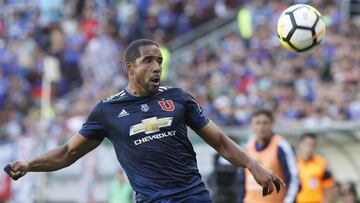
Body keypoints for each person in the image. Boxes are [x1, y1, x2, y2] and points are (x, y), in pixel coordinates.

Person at [4, 39, 285, 202]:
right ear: (130, 67)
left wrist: (252, 164)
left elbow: (221, 142)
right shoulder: (107, 110)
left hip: (193, 196)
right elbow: (67, 153)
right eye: (148, 61)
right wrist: (30, 164)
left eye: (159, 61)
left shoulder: (178, 98)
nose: (156, 67)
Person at [241, 109, 300, 203]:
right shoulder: (247, 147)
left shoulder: (281, 145)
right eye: (257, 123)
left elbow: (294, 178)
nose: (261, 127)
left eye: (265, 123)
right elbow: (242, 180)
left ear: (271, 124)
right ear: (252, 126)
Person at [296, 133, 335, 203]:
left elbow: (329, 186)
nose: (309, 148)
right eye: (307, 144)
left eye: (312, 145)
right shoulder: (293, 162)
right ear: (300, 144)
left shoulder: (322, 163)